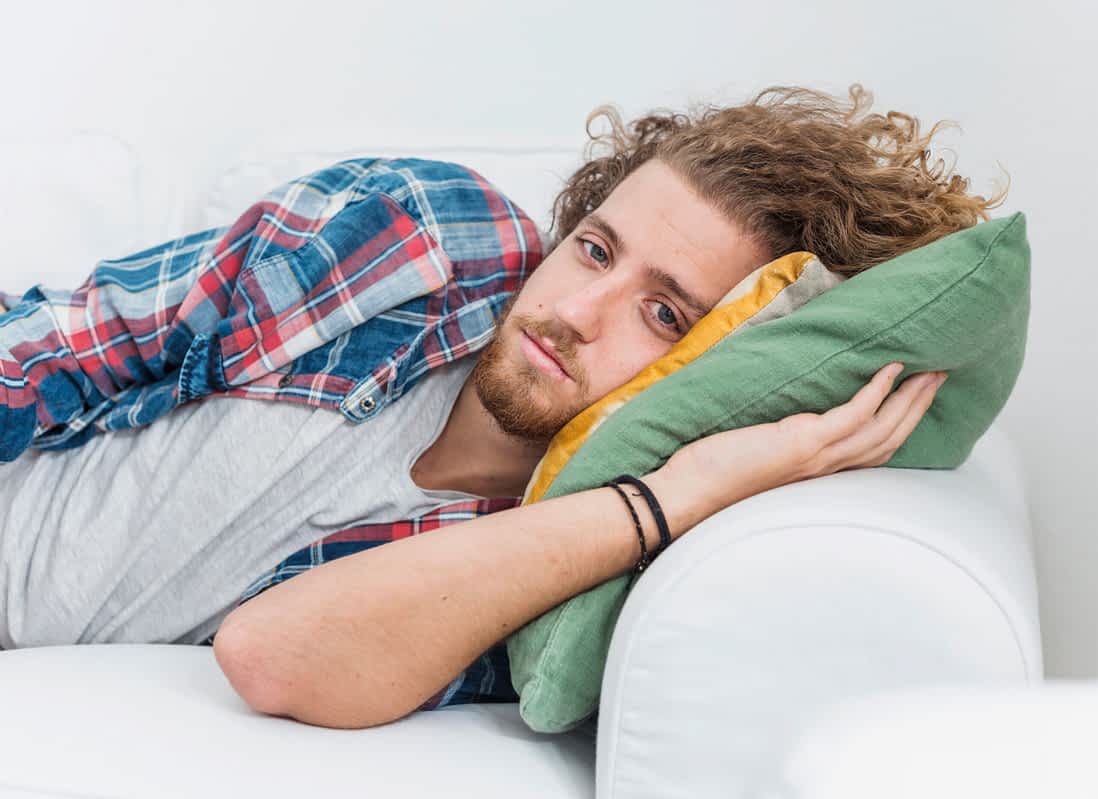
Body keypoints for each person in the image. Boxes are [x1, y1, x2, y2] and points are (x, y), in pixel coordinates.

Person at [0, 84, 1000, 729]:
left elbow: (273, 654)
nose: (576, 312)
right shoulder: (429, 236)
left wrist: (669, 500)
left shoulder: (562, 562)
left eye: (663, 313)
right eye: (595, 250)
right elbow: (72, 340)